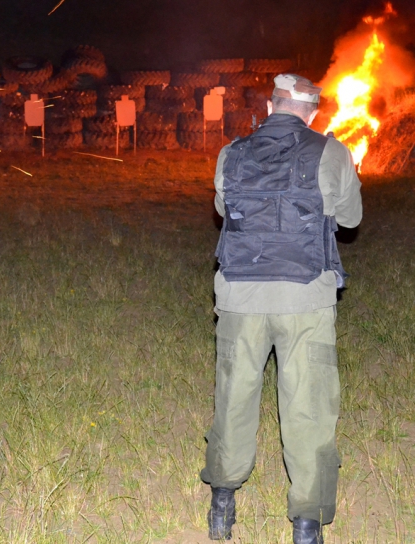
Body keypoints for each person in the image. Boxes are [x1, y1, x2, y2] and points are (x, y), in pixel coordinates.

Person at [200, 74, 362, 544]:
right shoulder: (331, 152)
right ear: (312, 113)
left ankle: (222, 504)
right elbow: (351, 219)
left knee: (234, 398)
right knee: (307, 406)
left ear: (271, 107)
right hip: (304, 298)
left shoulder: (231, 152)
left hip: (240, 298)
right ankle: (307, 525)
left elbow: (222, 208)